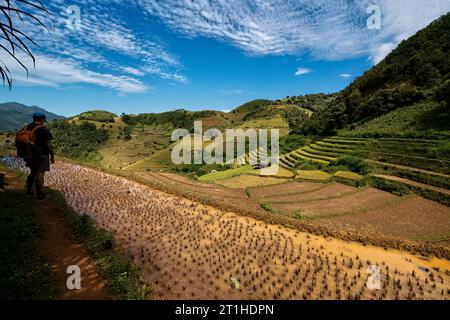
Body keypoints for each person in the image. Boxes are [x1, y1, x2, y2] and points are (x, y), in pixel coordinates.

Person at [25, 112, 55, 200]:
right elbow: (49, 145)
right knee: (40, 174)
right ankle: (40, 195)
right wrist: (52, 156)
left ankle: (28, 192)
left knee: (32, 172)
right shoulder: (43, 130)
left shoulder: (27, 127)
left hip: (29, 155)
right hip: (41, 155)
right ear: (42, 119)